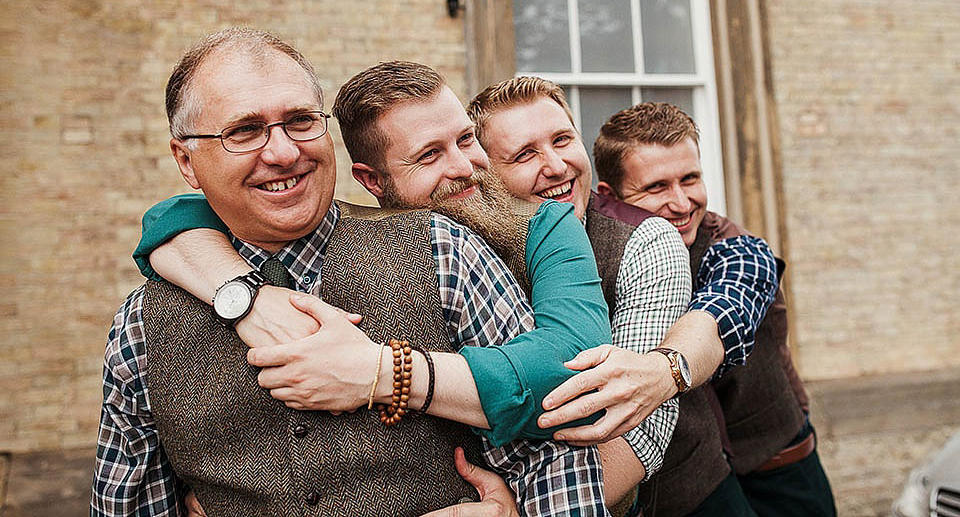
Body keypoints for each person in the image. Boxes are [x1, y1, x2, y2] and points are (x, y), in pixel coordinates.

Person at [132, 65, 693, 514]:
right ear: (373, 183)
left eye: (467, 139)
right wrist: (244, 292)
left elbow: (574, 373)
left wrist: (381, 373)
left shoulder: (545, 224)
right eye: (429, 155)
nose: (466, 166)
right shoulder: (380, 239)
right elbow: (175, 215)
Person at [583, 102, 837, 516]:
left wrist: (663, 370)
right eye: (657, 188)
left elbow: (726, 309)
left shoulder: (736, 248)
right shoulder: (611, 251)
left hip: (777, 471)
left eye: (690, 179)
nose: (682, 203)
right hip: (699, 485)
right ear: (611, 196)